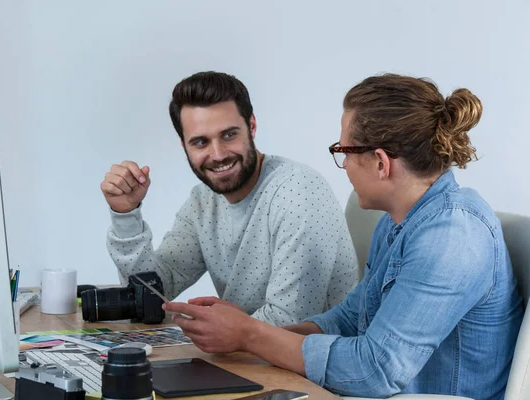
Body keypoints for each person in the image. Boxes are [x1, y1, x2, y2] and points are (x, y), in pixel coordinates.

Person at [164, 74, 524, 399]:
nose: (344, 165)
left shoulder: (451, 237)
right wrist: (246, 329)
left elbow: (376, 370)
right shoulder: (398, 221)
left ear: (381, 163)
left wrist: (248, 335)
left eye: (343, 151)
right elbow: (350, 319)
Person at [101, 71, 358, 326]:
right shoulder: (203, 202)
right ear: (185, 147)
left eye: (229, 135)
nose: (218, 154)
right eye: (200, 142)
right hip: (247, 360)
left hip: (302, 364)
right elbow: (150, 292)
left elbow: (291, 322)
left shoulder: (298, 192)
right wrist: (126, 215)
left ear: (252, 126)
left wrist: (213, 331)